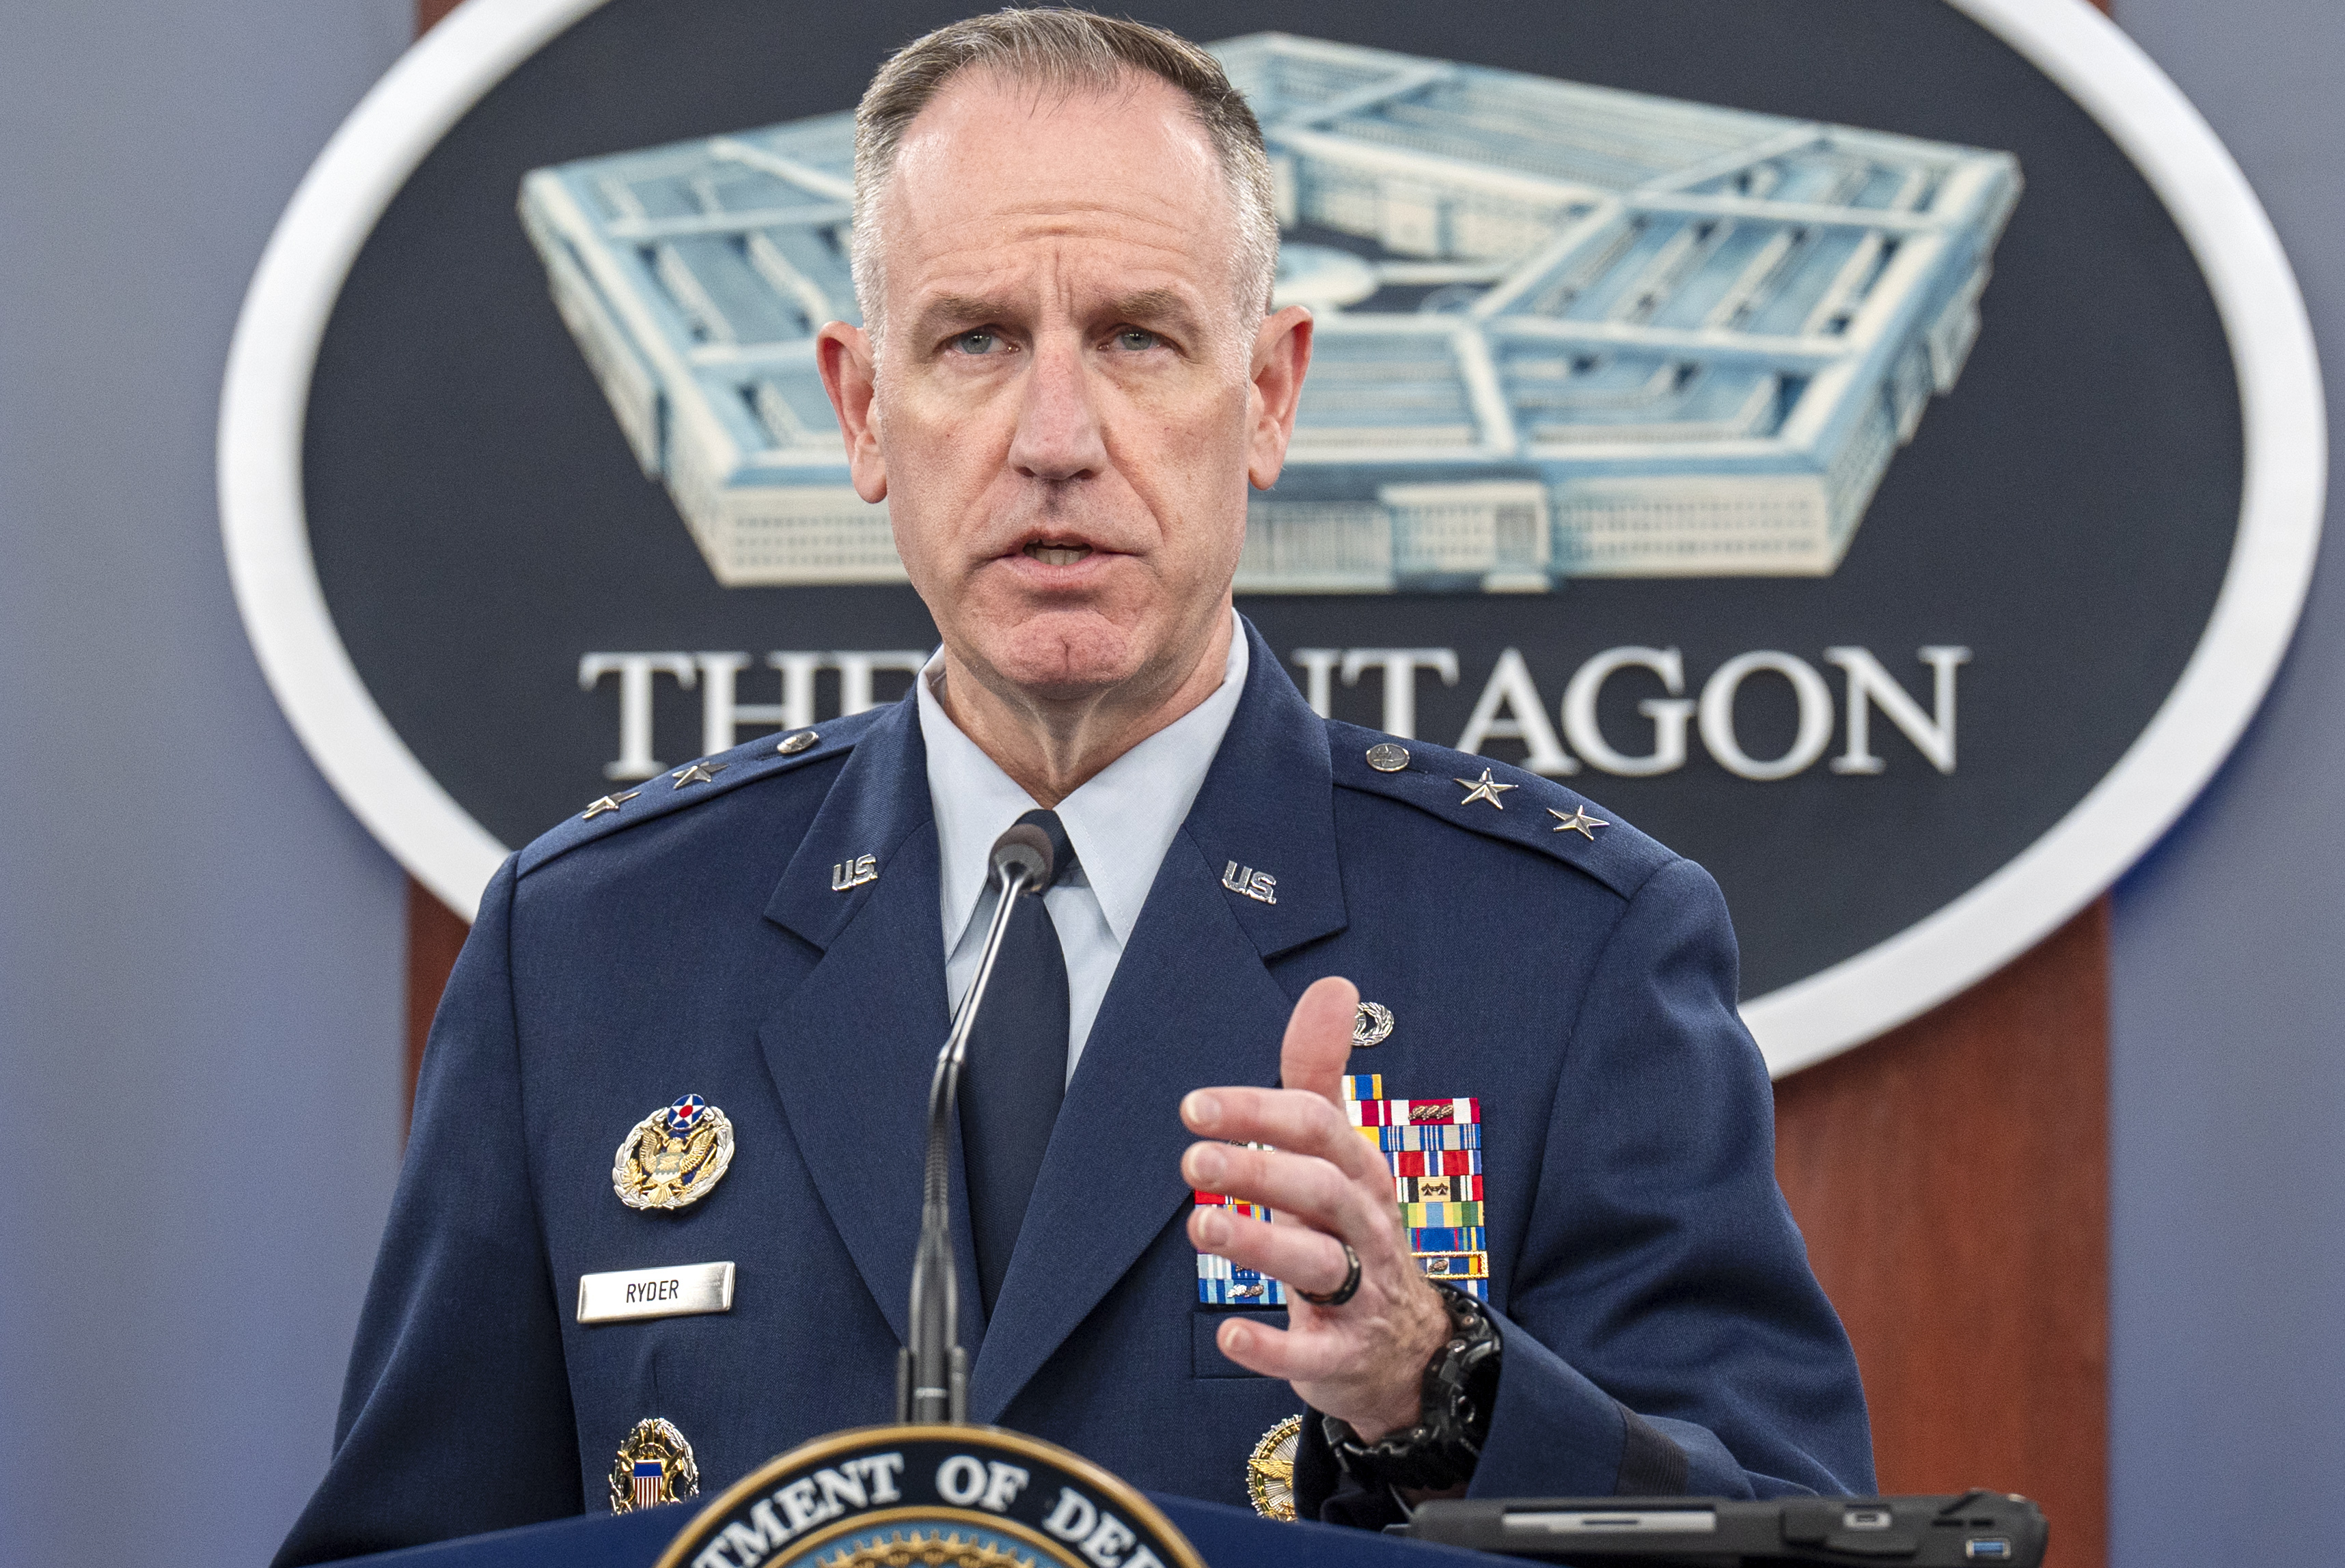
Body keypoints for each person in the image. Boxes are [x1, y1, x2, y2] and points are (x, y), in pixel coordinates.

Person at [275, 12, 1871, 1563]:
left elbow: (1784, 1540)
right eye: (974, 339)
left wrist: (1434, 1383)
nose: (1056, 437)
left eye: (1137, 338)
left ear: (1267, 397)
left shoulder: (1565, 951)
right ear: (859, 408)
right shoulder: (595, 951)